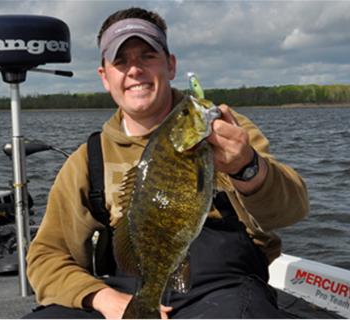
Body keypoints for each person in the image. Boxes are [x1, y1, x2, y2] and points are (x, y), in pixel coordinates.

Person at [25, 7, 308, 319]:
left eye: (147, 56)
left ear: (170, 65)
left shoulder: (228, 132)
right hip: (129, 288)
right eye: (121, 61)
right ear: (105, 77)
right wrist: (104, 299)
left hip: (225, 287)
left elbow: (292, 210)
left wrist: (247, 167)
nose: (135, 70)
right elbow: (46, 256)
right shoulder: (88, 159)